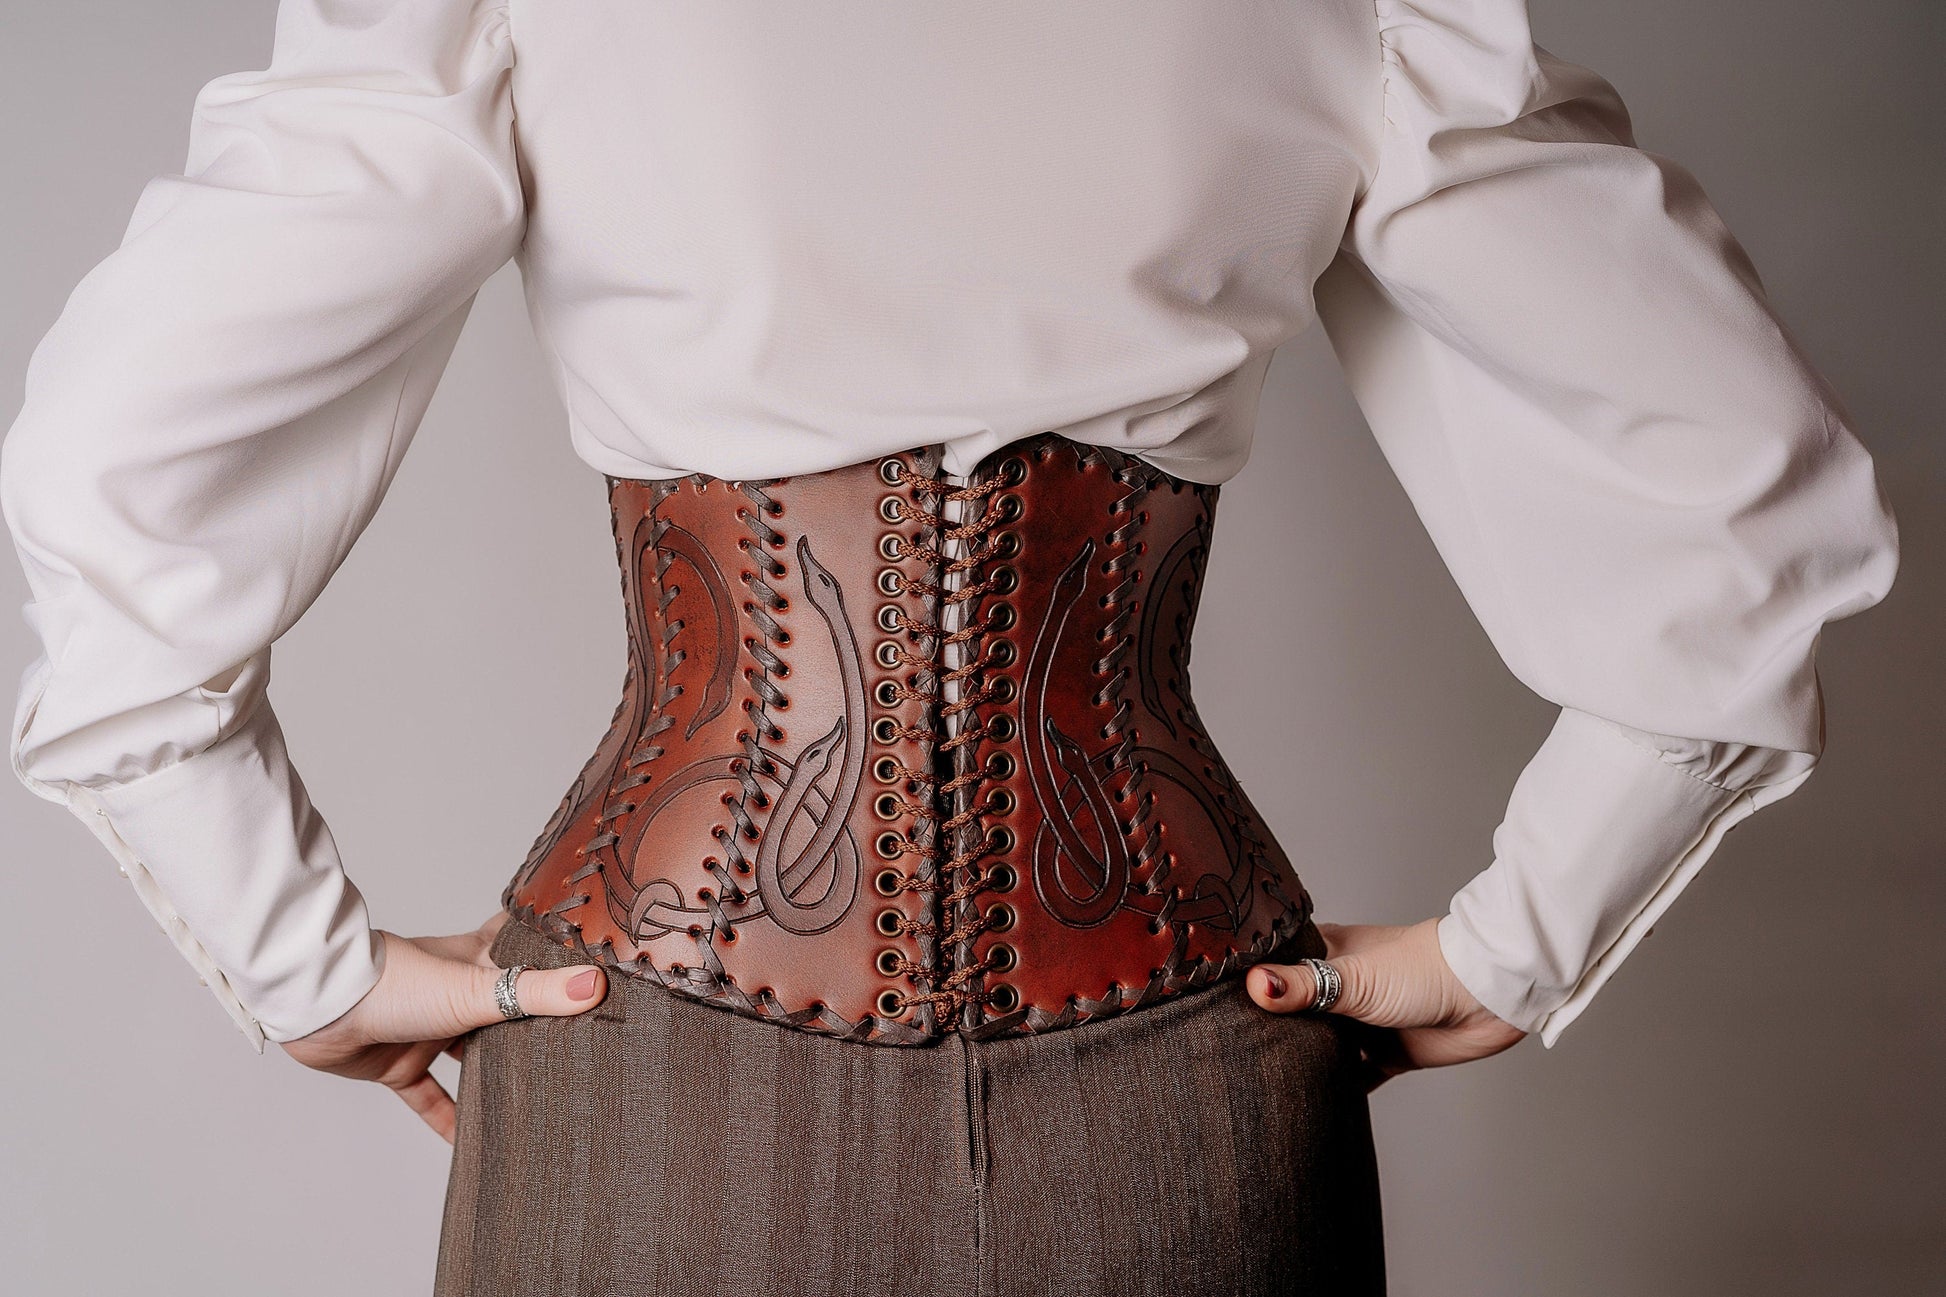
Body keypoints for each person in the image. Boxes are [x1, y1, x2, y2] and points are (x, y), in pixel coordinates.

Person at [0, 2, 1899, 1294]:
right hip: (1180, 1080)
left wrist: (295, 954)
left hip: (649, 1076)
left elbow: (111, 463)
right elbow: (1744, 486)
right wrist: (1526, 929)